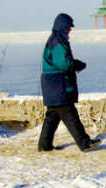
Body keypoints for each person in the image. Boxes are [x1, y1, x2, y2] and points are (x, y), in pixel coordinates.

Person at [38, 13, 101, 152]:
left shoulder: (54, 39)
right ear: (62, 27)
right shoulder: (58, 42)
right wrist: (77, 64)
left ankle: (44, 146)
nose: (70, 30)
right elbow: (64, 64)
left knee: (52, 116)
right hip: (58, 85)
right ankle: (85, 143)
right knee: (70, 114)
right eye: (69, 27)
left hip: (51, 85)